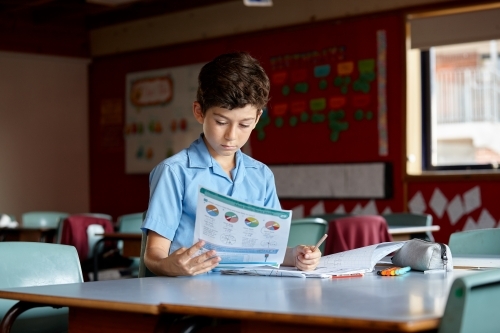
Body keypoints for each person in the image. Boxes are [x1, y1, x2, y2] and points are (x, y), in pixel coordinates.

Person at [142, 52, 321, 277]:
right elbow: (153, 255)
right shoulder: (175, 172)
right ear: (199, 112)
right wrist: (171, 265)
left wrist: (296, 255)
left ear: (257, 118)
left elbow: (268, 252)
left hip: (249, 296)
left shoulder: (261, 175)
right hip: (191, 298)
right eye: (221, 122)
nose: (231, 136)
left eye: (244, 124)